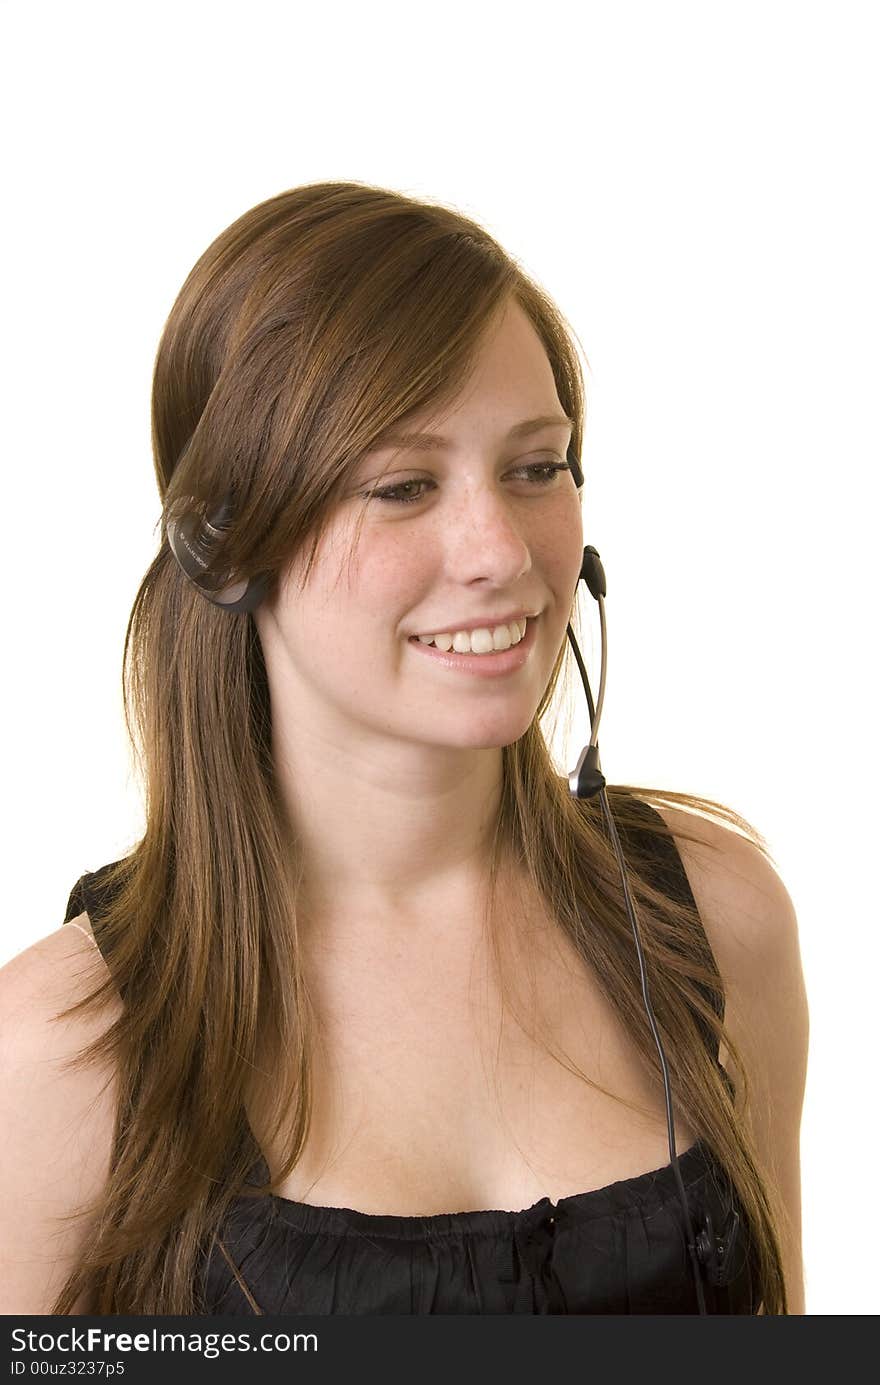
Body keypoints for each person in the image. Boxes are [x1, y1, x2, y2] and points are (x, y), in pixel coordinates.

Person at [0, 181, 809, 1315]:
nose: (498, 551)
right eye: (401, 485)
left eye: (536, 467)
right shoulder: (63, 1052)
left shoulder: (711, 923)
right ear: (225, 546)